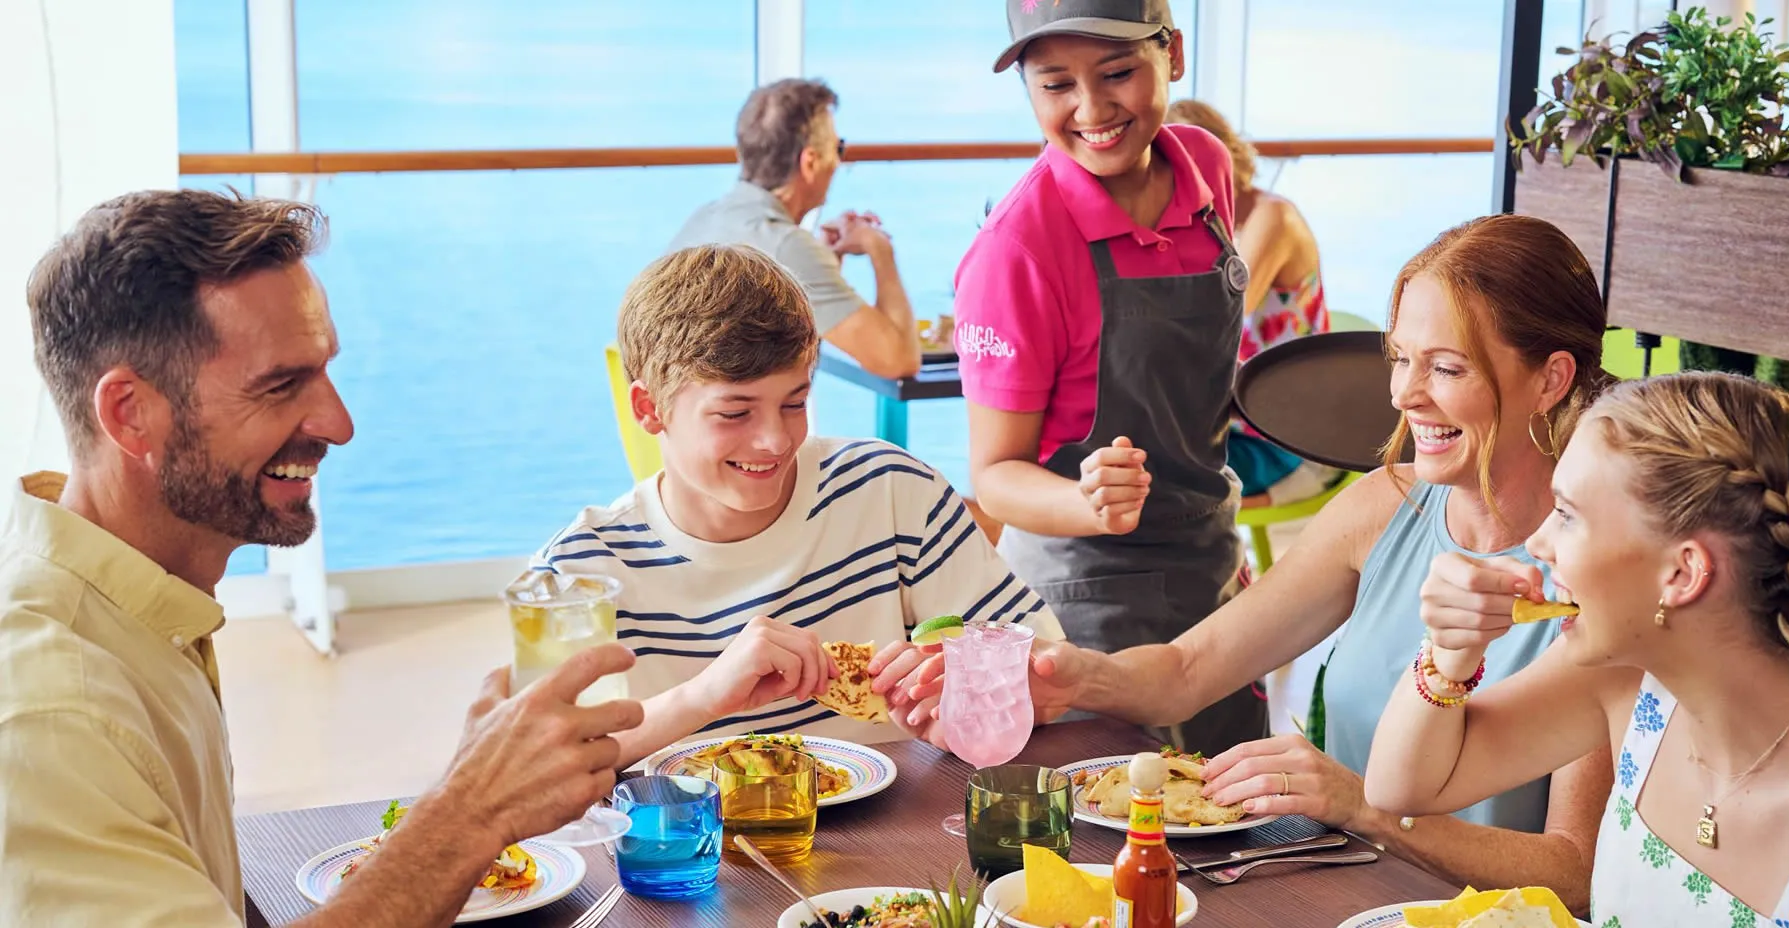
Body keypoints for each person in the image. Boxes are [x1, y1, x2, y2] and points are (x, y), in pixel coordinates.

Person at [0, 189, 644, 927]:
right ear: (130, 413)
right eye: (281, 386)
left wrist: (470, 791)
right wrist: (471, 811)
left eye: (324, 370)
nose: (339, 423)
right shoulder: (55, 709)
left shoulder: (141, 606)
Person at [978, 214, 1620, 912]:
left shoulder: (1602, 573)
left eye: (1446, 366)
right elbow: (1192, 669)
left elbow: (1576, 871)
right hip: (1336, 901)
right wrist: (1077, 679)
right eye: (1402, 358)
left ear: (1552, 377)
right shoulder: (1386, 504)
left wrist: (1362, 807)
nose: (1405, 393)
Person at [1364, 373, 1789, 926]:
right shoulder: (1628, 679)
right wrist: (1452, 650)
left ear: (1682, 572)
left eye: (1568, 514)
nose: (1541, 543)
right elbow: (1400, 788)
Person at [532, 244, 1061, 761]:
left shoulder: (892, 491)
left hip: (894, 842)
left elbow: (1049, 674)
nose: (775, 441)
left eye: (795, 403)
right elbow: (539, 772)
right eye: (735, 413)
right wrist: (704, 696)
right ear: (650, 409)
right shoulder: (578, 574)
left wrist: (963, 702)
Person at [954, 0, 1261, 754]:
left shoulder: (1206, 166)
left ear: (1174, 55)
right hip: (1088, 599)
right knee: (1127, 846)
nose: (1092, 109)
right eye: (1056, 85)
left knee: (1240, 831)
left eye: (1118, 72)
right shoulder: (1016, 249)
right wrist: (1087, 501)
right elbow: (994, 477)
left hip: (1211, 566)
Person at [669, 78, 921, 380]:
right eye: (837, 148)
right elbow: (899, 361)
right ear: (810, 162)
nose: (839, 163)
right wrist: (879, 249)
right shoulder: (788, 249)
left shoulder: (705, 218)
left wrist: (825, 260)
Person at [1164, 98, 1339, 505]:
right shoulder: (1205, 226)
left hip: (1289, 436)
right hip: (1244, 423)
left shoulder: (1272, 218)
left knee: (1154, 474)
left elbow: (1219, 319)